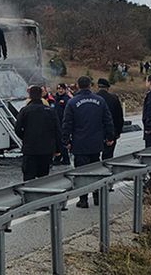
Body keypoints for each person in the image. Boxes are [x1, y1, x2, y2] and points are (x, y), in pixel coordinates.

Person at [62, 76, 115, 208]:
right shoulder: (100, 100)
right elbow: (108, 121)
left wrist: (66, 140)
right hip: (96, 143)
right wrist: (110, 137)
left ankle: (84, 199)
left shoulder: (72, 102)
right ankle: (97, 197)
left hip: (79, 143)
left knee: (81, 173)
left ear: (78, 86)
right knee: (96, 170)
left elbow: (67, 123)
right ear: (90, 85)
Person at [15, 85, 63, 181]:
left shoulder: (25, 111)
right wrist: (58, 148)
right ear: (41, 94)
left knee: (29, 177)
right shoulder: (50, 111)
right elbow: (57, 130)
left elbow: (17, 129)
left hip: (30, 149)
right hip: (46, 150)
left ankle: (29, 196)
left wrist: (25, 138)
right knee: (43, 178)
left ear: (30, 95)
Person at [96, 78, 124, 160]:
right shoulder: (114, 98)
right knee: (108, 156)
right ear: (108, 88)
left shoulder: (93, 98)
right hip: (111, 131)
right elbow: (119, 117)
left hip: (96, 132)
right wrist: (118, 132)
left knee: (94, 157)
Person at [52, 83, 72, 165]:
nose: (60, 90)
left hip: (63, 123)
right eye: (59, 89)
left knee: (63, 141)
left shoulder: (66, 99)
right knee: (57, 141)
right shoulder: (55, 98)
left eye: (62, 89)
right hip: (56, 122)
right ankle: (58, 157)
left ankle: (66, 159)